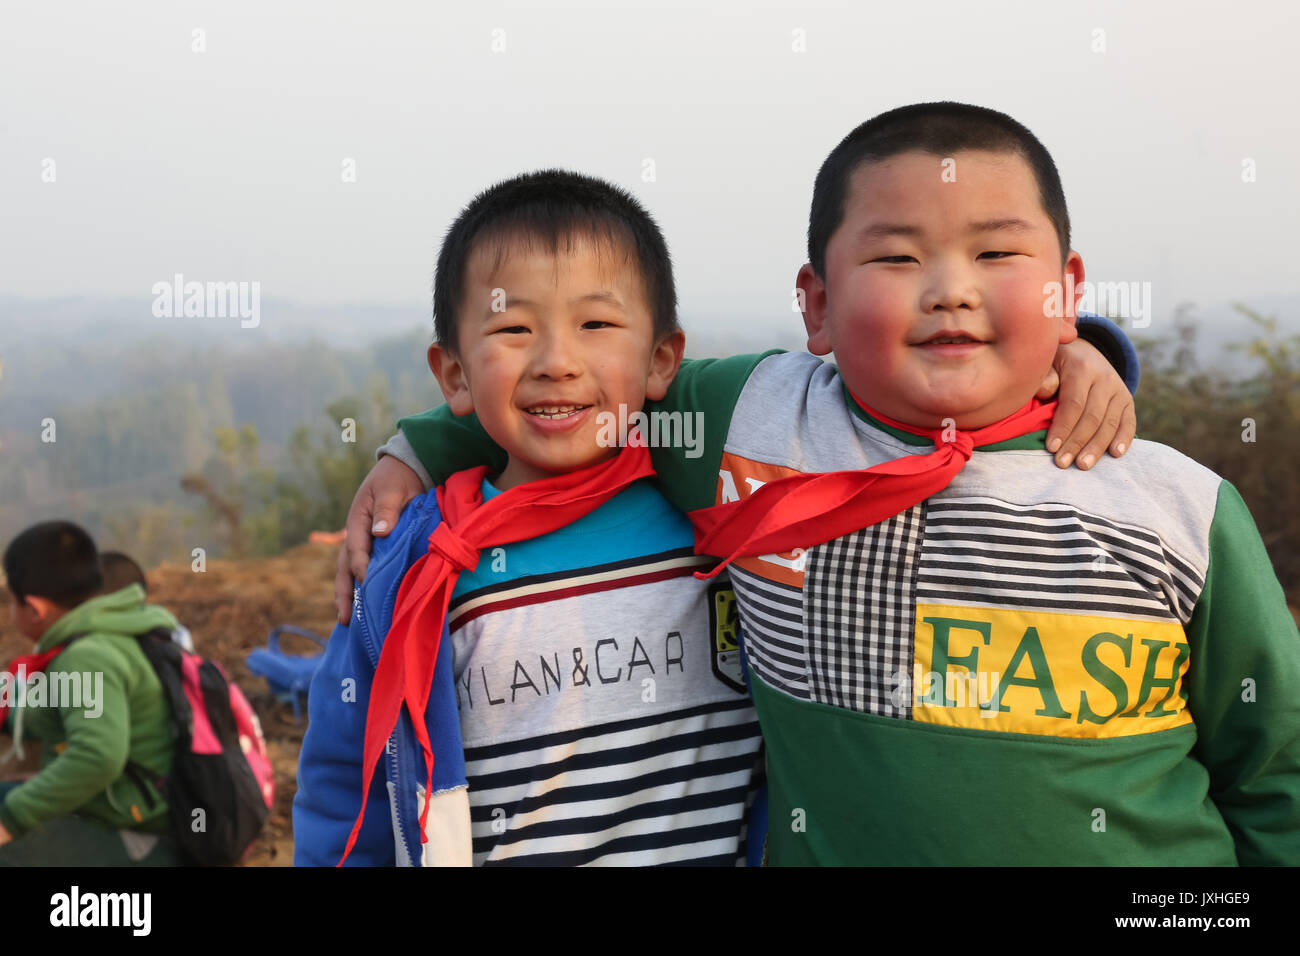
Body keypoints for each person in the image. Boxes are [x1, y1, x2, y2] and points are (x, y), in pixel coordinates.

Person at [337, 102, 1299, 865]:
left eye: (997, 254)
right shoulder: (748, 419)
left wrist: (1082, 358)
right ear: (818, 304)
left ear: (1069, 288)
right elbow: (576, 402)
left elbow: (1274, 771)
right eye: (896, 257)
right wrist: (412, 454)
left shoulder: (1180, 508)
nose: (950, 288)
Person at [294, 170, 768, 866]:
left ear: (662, 359)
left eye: (597, 324)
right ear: (453, 374)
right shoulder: (418, 569)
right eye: (514, 328)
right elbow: (346, 786)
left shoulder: (724, 525)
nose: (556, 362)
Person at [0, 522, 181, 865]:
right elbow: (49, 710)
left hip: (145, 840)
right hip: (141, 813)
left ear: (35, 609)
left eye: (12, 601)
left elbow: (97, 756)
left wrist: (10, 822)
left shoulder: (86, 657)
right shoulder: (121, 633)